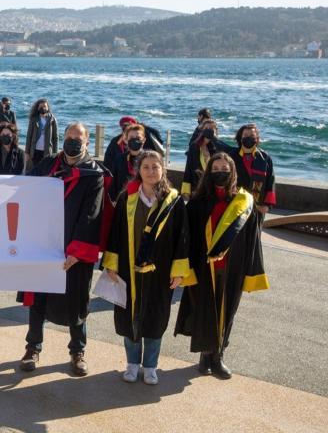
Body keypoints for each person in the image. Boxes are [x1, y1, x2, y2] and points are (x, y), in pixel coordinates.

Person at [19, 122, 106, 377]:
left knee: (77, 302)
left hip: (75, 251)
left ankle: (77, 351)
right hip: (44, 246)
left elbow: (92, 215)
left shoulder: (94, 174)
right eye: (69, 137)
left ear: (87, 141)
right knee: (38, 300)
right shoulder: (47, 166)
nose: (72, 142)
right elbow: (24, 192)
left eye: (78, 138)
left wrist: (76, 250)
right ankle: (32, 348)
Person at [175, 152, 269, 379]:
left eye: (225, 169)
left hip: (232, 268)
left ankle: (218, 357)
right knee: (204, 311)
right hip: (202, 267)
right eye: (215, 169)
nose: (220, 173)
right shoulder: (197, 204)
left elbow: (253, 241)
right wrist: (183, 269)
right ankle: (205, 355)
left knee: (227, 313)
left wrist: (252, 273)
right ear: (209, 173)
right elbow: (185, 239)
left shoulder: (244, 203)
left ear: (233, 172)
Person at [102, 150, 190, 385]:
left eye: (155, 167)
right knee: (129, 317)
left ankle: (150, 366)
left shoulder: (173, 201)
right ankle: (132, 363)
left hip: (160, 272)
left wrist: (179, 270)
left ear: (163, 170)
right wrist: (111, 263)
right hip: (129, 270)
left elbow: (183, 237)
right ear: (138, 171)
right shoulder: (126, 198)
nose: (151, 171)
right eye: (146, 167)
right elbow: (115, 233)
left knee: (155, 318)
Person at [211, 124, 276, 221]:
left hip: (257, 206)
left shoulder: (265, 158)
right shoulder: (231, 155)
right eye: (245, 136)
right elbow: (217, 144)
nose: (248, 138)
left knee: (254, 234)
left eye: (252, 136)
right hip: (235, 204)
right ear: (240, 138)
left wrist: (267, 205)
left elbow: (271, 181)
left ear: (257, 139)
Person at [107, 123, 147, 202]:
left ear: (144, 140)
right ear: (126, 140)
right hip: (121, 202)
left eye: (138, 138)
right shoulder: (119, 159)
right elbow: (113, 184)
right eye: (131, 137)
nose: (135, 140)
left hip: (142, 202)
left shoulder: (148, 159)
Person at [181, 118, 219, 197]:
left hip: (214, 188)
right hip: (197, 186)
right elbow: (188, 168)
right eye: (206, 128)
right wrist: (186, 190)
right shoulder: (194, 146)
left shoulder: (219, 148)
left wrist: (215, 139)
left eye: (212, 129)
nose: (209, 131)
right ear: (202, 131)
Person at [24, 98, 58, 171]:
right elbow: (29, 136)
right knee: (35, 170)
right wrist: (27, 152)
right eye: (41, 106)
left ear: (48, 107)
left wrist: (55, 153)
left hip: (47, 151)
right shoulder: (34, 119)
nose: (43, 108)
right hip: (35, 150)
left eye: (45, 106)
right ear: (38, 108)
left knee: (45, 170)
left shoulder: (52, 119)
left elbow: (55, 138)